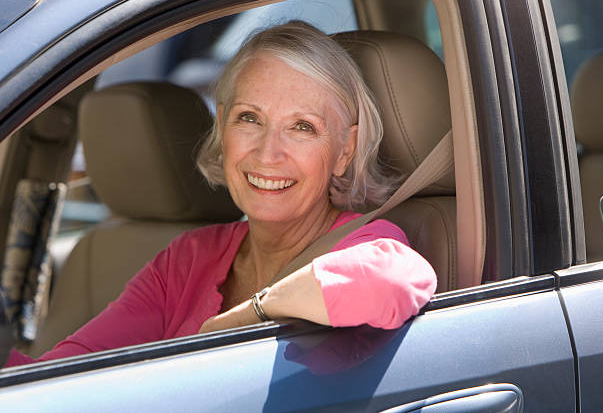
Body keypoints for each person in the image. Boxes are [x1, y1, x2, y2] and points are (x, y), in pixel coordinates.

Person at [5, 21, 436, 367]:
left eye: (303, 127)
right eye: (250, 118)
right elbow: (68, 371)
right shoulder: (188, 258)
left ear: (345, 151)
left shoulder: (364, 243)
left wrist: (244, 318)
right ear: (224, 127)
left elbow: (392, 283)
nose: (268, 153)